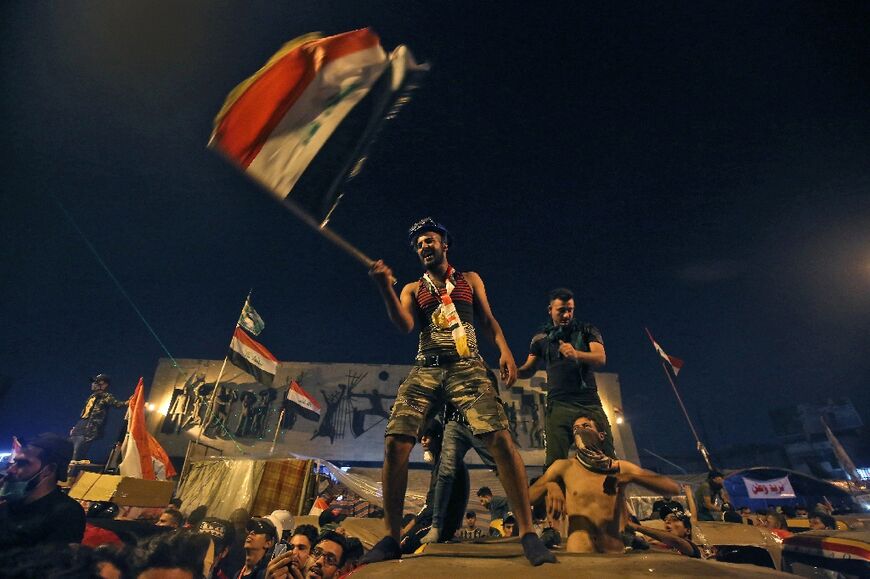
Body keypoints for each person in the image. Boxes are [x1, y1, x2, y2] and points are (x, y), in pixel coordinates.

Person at [364, 217, 555, 566]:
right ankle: (391, 537)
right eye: (419, 243)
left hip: (467, 364)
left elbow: (488, 319)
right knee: (396, 441)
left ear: (445, 244)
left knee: (498, 437)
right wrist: (384, 288)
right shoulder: (410, 288)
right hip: (427, 365)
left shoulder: (469, 279)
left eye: (430, 240)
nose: (424, 246)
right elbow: (405, 325)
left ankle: (528, 532)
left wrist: (505, 350)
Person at [528, 414, 681, 553]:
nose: (580, 430)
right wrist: (550, 485)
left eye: (586, 426)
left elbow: (672, 488)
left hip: (613, 553)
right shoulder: (564, 467)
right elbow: (527, 497)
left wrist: (632, 477)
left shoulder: (620, 467)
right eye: (576, 428)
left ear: (601, 435)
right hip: (580, 553)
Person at [517, 288, 612, 466]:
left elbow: (600, 358)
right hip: (559, 404)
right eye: (561, 310)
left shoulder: (587, 330)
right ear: (550, 310)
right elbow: (529, 369)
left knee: (608, 459)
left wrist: (576, 354)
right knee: (555, 463)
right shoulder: (540, 338)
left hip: (589, 402)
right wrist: (515, 372)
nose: (567, 315)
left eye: (570, 310)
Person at [0, 433, 86, 549]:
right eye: (13, 463)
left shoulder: (66, 513)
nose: (11, 470)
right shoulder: (9, 505)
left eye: (22, 464)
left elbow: (53, 564)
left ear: (49, 470)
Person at [69, 374, 129, 461]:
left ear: (104, 385)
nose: (93, 384)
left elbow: (118, 404)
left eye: (96, 382)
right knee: (68, 449)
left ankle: (72, 471)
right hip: (80, 427)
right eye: (94, 382)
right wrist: (76, 427)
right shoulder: (92, 396)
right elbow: (85, 414)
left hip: (88, 430)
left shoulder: (106, 397)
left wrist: (128, 402)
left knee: (77, 453)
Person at [628, 511, 701, 558]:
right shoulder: (658, 544)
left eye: (675, 520)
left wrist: (636, 527)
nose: (667, 521)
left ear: (687, 531)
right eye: (666, 520)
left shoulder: (693, 548)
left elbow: (676, 541)